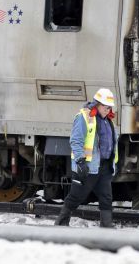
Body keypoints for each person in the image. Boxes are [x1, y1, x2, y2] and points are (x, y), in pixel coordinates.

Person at [54, 88, 119, 228]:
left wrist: (113, 164)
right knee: (76, 196)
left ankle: (106, 225)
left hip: (104, 167)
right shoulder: (83, 117)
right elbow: (75, 141)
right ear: (97, 104)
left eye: (110, 107)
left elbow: (112, 144)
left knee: (106, 197)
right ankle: (61, 223)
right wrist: (80, 161)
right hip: (88, 167)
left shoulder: (108, 121)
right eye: (105, 107)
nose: (108, 110)